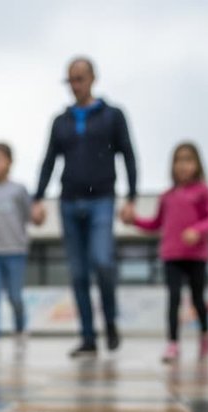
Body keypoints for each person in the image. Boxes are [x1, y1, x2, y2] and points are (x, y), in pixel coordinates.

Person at [34, 57, 138, 358]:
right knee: (78, 273)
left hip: (102, 199)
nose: (75, 85)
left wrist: (131, 197)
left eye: (80, 78)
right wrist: (37, 198)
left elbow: (129, 155)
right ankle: (88, 337)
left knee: (102, 261)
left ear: (93, 78)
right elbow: (49, 160)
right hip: (69, 200)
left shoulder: (113, 116)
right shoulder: (61, 121)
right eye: (70, 80)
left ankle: (111, 321)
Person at [125, 142, 208, 363]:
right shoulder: (166, 196)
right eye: (178, 160)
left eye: (188, 160)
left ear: (197, 164)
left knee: (198, 298)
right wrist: (135, 220)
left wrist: (197, 231)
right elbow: (155, 223)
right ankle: (173, 343)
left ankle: (205, 333)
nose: (183, 165)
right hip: (172, 255)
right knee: (173, 298)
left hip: (196, 256)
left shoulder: (203, 192)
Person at [0, 143, 41, 360]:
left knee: (15, 297)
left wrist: (39, 216)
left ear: (10, 161)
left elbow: (29, 216)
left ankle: (20, 330)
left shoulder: (19, 190)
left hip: (15, 250)